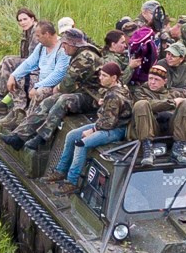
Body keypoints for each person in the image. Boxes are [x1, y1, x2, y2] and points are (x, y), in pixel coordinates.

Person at [7, 27, 108, 147]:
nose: (63, 47)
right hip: (84, 91)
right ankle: (20, 136)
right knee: (49, 100)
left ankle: (42, 136)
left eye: (64, 44)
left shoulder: (85, 57)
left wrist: (58, 88)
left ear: (72, 44)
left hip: (96, 98)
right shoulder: (80, 53)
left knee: (63, 100)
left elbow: (67, 84)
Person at [47, 60, 132, 190]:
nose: (100, 78)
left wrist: (93, 129)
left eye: (104, 76)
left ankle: (72, 181)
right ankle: (60, 171)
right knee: (71, 135)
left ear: (114, 78)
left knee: (81, 143)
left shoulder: (114, 95)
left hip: (116, 130)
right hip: (105, 124)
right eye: (100, 75)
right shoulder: (119, 89)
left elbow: (109, 123)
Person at [0, 20, 70, 128]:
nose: (37, 39)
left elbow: (58, 74)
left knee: (39, 92)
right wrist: (13, 76)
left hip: (54, 85)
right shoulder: (41, 47)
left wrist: (37, 86)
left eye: (38, 36)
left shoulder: (62, 49)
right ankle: (18, 112)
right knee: (18, 79)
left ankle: (26, 125)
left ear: (47, 34)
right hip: (41, 79)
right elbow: (29, 63)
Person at [0, 7, 40, 100]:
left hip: (36, 64)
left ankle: (0, 96)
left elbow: (32, 56)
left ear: (32, 18)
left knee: (8, 62)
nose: (22, 22)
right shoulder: (27, 30)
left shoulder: (36, 31)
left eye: (25, 19)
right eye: (20, 20)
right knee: (6, 59)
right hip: (30, 60)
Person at [128, 62, 186, 147]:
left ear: (165, 81)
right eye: (150, 78)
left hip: (171, 128)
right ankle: (147, 146)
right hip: (149, 126)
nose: (152, 82)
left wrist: (183, 102)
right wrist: (172, 103)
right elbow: (150, 104)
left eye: (156, 79)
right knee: (141, 104)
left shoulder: (175, 93)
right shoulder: (140, 91)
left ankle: (179, 146)